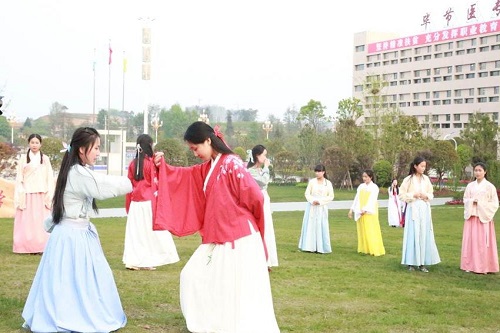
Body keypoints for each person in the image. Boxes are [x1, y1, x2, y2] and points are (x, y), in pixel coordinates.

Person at [153, 122, 280, 333]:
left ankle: (229, 324)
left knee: (234, 286)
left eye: (196, 148)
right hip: (220, 234)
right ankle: (217, 321)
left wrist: (239, 217)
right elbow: (185, 177)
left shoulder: (231, 163)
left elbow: (255, 197)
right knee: (193, 276)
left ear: (208, 140)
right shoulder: (210, 166)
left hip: (239, 237)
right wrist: (162, 167)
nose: (194, 153)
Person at [22, 127, 132, 333]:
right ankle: (72, 316)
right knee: (74, 280)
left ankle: (69, 313)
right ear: (82, 149)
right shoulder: (78, 173)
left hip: (73, 234)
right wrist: (132, 180)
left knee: (71, 279)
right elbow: (103, 186)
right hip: (72, 236)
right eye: (96, 148)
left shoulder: (74, 170)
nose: (98, 152)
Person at [123, 134, 180, 271]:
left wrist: (128, 204)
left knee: (136, 234)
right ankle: (149, 259)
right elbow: (157, 181)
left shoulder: (132, 164)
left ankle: (133, 260)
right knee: (150, 233)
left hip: (136, 203)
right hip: (148, 202)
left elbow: (129, 184)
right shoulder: (150, 164)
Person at [13, 133, 54, 254]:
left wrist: (49, 193)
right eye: (32, 142)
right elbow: (19, 177)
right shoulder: (23, 159)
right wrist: (20, 192)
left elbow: (49, 177)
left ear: (40, 144)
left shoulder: (45, 159)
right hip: (27, 194)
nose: (34, 145)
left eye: (37, 143)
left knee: (41, 221)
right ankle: (26, 246)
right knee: (27, 222)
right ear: (29, 143)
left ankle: (42, 246)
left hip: (41, 194)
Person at [399, 156, 441, 273]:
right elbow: (401, 194)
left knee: (424, 234)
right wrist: (413, 195)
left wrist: (425, 196)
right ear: (415, 166)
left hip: (424, 209)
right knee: (413, 234)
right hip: (413, 209)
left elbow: (431, 194)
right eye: (421, 166)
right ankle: (411, 262)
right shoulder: (408, 180)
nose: (423, 168)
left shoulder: (426, 179)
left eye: (424, 166)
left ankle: (422, 262)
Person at [460, 162, 499, 274]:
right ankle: (469, 265)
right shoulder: (470, 186)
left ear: (485, 172)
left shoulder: (489, 187)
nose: (477, 172)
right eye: (476, 170)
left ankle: (484, 266)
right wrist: (472, 202)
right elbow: (465, 199)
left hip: (483, 218)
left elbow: (494, 203)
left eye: (480, 170)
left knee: (482, 243)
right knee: (470, 242)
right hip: (472, 217)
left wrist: (481, 204)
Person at [247, 144, 279, 268]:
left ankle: (267, 259)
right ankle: (260, 259)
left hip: (265, 198)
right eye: (264, 155)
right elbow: (263, 181)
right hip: (258, 199)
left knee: (268, 228)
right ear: (257, 155)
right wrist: (266, 167)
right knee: (261, 226)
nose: (266, 158)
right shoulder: (250, 171)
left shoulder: (260, 170)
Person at [298, 164, 334, 254]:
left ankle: (321, 247)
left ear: (323, 172)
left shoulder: (328, 183)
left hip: (322, 207)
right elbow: (307, 193)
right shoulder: (312, 182)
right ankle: (309, 246)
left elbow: (331, 196)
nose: (317, 173)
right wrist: (312, 200)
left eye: (319, 171)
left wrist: (320, 201)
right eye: (316, 171)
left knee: (321, 225)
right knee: (311, 225)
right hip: (312, 207)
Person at [348, 170, 385, 256]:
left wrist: (366, 209)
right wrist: (352, 209)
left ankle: (374, 248)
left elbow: (372, 199)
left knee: (371, 229)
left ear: (370, 177)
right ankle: (365, 248)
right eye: (363, 177)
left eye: (366, 177)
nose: (364, 178)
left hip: (370, 211)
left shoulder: (374, 187)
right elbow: (356, 198)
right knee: (362, 229)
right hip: (360, 210)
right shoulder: (361, 186)